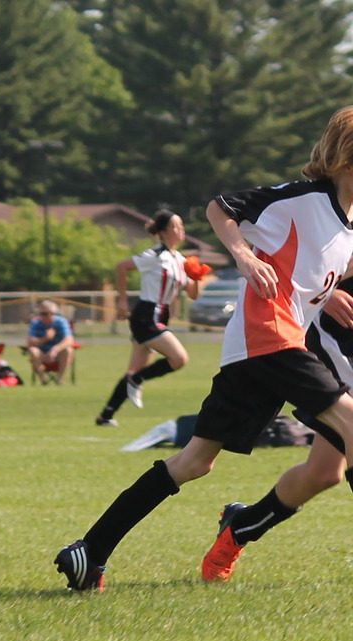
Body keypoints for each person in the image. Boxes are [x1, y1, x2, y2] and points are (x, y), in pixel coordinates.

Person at [53, 105, 353, 592]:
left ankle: (90, 550)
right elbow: (222, 206)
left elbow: (317, 265)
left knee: (194, 462)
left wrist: (330, 290)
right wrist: (243, 256)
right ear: (345, 160)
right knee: (351, 422)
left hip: (260, 349)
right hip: (268, 338)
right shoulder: (304, 198)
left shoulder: (347, 219)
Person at [200, 276, 353, 581]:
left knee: (323, 473)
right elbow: (298, 248)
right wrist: (325, 291)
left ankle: (240, 527)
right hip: (337, 330)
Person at [95, 210, 205, 426]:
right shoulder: (155, 256)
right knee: (179, 359)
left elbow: (192, 294)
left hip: (161, 315)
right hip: (146, 314)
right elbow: (122, 267)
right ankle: (136, 381)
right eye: (176, 226)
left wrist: (197, 277)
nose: (181, 230)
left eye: (182, 226)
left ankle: (106, 415)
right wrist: (123, 300)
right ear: (163, 232)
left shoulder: (180, 260)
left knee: (134, 369)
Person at [27, 300, 75, 385]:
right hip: (42, 353)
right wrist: (46, 338)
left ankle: (59, 379)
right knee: (32, 351)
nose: (43, 316)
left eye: (46, 314)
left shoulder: (61, 322)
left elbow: (69, 340)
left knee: (68, 350)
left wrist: (55, 349)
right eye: (41, 313)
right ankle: (43, 380)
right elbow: (30, 342)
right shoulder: (35, 323)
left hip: (58, 355)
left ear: (53, 314)